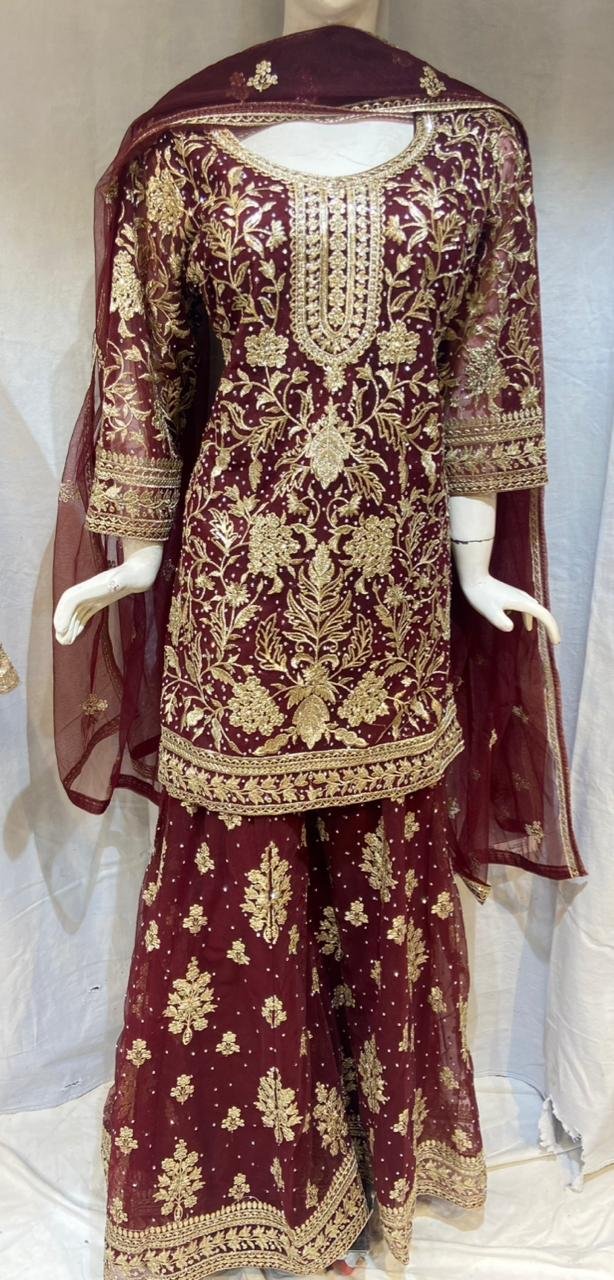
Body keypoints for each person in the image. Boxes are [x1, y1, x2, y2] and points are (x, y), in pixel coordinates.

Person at [52, 7, 588, 1276]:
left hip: (395, 585)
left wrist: (477, 566)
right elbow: (142, 361)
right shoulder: (184, 147)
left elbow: (484, 377)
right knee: (232, 873)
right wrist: (131, 560)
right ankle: (236, 1191)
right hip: (233, 583)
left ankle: (358, 1173)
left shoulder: (478, 144)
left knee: (376, 868)